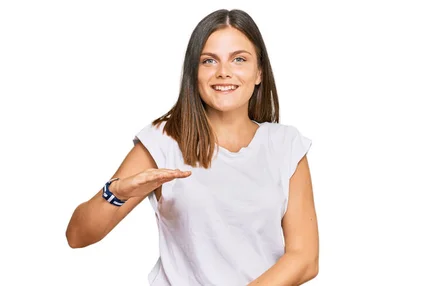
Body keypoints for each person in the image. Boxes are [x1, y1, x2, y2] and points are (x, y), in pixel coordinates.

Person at [66, 9, 319, 285]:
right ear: (194, 73)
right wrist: (115, 193)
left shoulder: (285, 145)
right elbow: (77, 237)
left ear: (259, 72)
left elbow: (304, 258)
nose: (224, 72)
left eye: (239, 59)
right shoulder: (165, 140)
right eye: (209, 61)